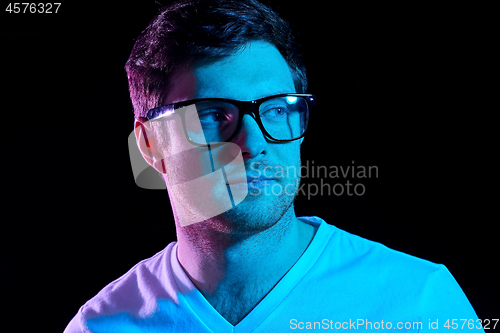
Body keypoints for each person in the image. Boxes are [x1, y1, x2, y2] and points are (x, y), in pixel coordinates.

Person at [65, 0, 482, 331]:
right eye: (212, 114)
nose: (253, 143)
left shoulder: (418, 303)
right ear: (151, 143)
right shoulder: (102, 325)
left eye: (279, 109)